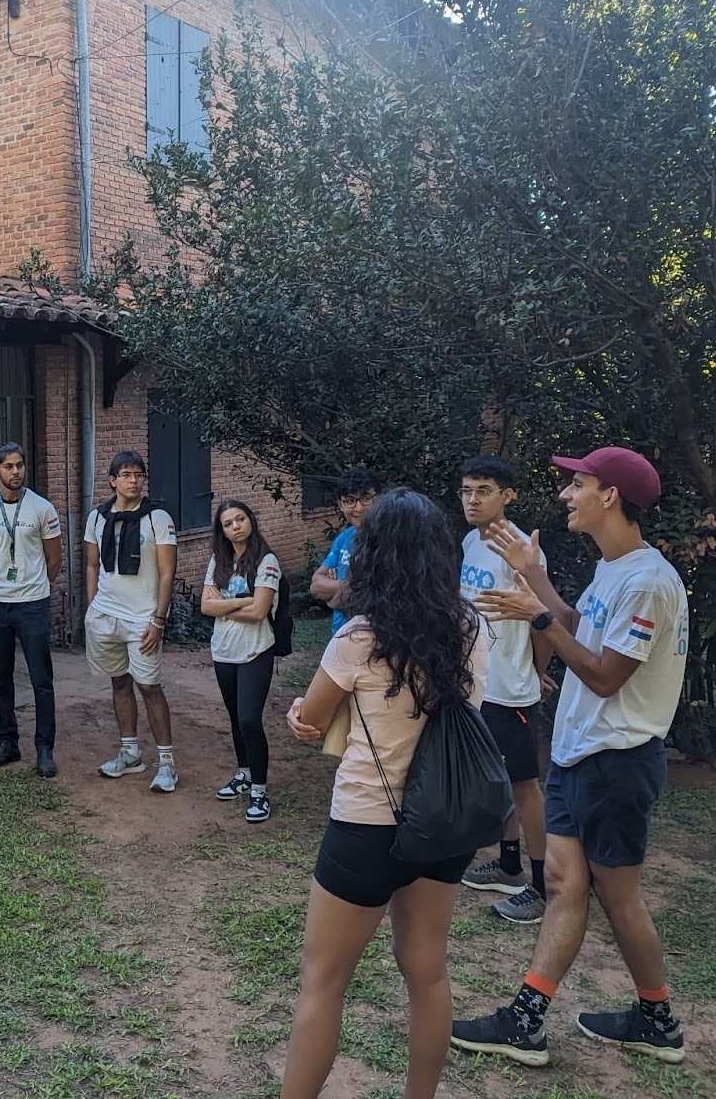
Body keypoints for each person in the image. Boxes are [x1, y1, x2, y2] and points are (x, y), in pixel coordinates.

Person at [452, 447, 689, 1067]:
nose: (565, 495)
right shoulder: (614, 570)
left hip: (618, 760)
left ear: (609, 495)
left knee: (617, 896)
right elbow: (574, 625)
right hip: (579, 753)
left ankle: (657, 1018)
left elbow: (605, 675)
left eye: (577, 484)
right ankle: (526, 1020)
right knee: (562, 884)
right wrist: (533, 577)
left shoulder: (647, 582)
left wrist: (536, 617)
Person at [280, 488, 489, 1099]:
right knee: (427, 974)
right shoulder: (471, 626)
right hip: (446, 818)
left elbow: (313, 720)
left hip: (368, 823)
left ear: (372, 554)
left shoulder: (361, 637)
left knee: (323, 982)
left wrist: (300, 713)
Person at [455, 456, 553, 924]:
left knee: (525, 785)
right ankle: (509, 862)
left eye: (484, 491)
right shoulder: (471, 541)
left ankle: (542, 885)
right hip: (476, 681)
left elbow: (543, 616)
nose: (472, 500)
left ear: (508, 495)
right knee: (497, 778)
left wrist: (537, 668)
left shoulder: (523, 550)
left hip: (511, 687)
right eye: (467, 491)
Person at [86, 451, 179, 793]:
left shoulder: (157, 518)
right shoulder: (97, 517)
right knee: (119, 682)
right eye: (126, 474)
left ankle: (167, 763)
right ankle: (130, 753)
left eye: (139, 474)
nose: (134, 480)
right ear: (112, 480)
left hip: (143, 618)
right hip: (106, 615)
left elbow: (168, 572)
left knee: (150, 687)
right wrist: (93, 605)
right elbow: (93, 564)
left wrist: (159, 620)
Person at [0, 442, 64, 777]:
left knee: (41, 679)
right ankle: (7, 743)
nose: (16, 472)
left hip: (32, 605)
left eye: (20, 465)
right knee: (0, 678)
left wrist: (35, 585)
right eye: (8, 466)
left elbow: (55, 559)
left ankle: (44, 749)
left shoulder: (42, 508)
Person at [201, 500, 283, 823]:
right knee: (235, 718)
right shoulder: (217, 561)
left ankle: (259, 791)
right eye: (228, 523)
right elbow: (206, 607)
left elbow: (260, 612)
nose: (236, 526)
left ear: (251, 520)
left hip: (255, 651)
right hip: (223, 651)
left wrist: (228, 603)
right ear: (221, 530)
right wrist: (244, 600)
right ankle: (244, 773)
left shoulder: (267, 560)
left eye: (240, 519)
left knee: (250, 719)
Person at [310, 469, 380, 635]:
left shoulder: (389, 539)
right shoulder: (344, 538)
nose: (359, 507)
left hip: (374, 636)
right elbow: (316, 586)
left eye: (366, 498)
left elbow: (379, 595)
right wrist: (347, 590)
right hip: (340, 634)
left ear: (378, 499)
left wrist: (333, 597)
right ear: (340, 505)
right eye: (350, 501)